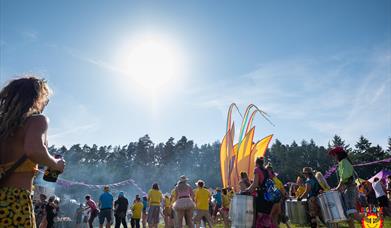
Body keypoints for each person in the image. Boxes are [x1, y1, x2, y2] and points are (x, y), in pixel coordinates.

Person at [0, 77, 65, 227]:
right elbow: (34, 150)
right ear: (37, 99)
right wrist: (56, 164)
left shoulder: (2, 127)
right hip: (15, 200)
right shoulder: (37, 120)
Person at [329, 146, 361, 228]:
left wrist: (338, 187)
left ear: (339, 154)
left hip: (350, 189)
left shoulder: (344, 161)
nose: (334, 157)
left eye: (334, 155)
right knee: (348, 215)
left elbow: (344, 177)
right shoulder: (343, 162)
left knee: (351, 212)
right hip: (348, 188)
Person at [246, 157, 274, 228]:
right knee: (266, 217)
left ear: (256, 163)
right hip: (269, 196)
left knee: (259, 216)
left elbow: (255, 184)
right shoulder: (267, 171)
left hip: (261, 195)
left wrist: (247, 190)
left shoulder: (257, 170)